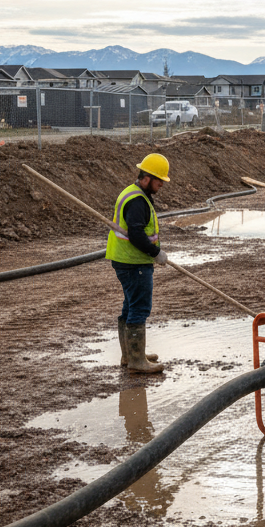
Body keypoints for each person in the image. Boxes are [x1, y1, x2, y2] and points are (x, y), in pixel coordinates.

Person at [105, 153, 170, 373]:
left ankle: (131, 355)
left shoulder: (135, 193)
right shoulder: (136, 200)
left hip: (126, 260)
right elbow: (136, 234)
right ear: (146, 178)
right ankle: (136, 362)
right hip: (134, 263)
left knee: (130, 306)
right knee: (139, 308)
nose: (161, 184)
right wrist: (155, 253)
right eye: (159, 180)